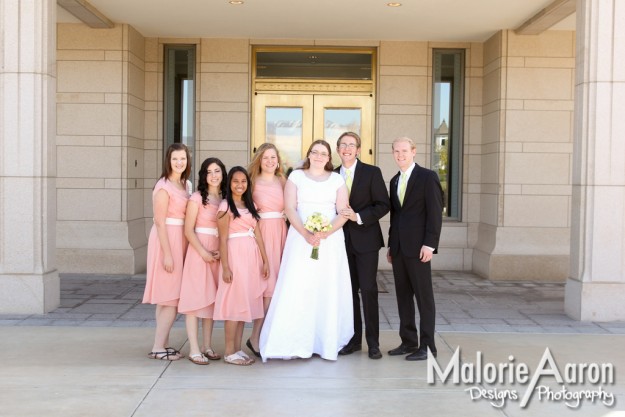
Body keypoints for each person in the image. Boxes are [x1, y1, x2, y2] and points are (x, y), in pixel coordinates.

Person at [260, 139, 353, 362]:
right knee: (298, 284)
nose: (319, 156)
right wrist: (305, 233)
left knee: (325, 286)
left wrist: (325, 232)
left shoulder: (337, 180)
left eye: (324, 153)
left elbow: (344, 211)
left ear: (329, 158)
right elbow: (290, 207)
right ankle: (294, 342)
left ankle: (324, 342)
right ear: (309, 154)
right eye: (315, 152)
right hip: (300, 238)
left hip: (329, 242)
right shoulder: (296, 177)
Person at [334, 132, 390, 360]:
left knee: (368, 290)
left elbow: (383, 204)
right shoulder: (330, 174)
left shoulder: (372, 172)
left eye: (351, 145)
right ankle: (353, 340)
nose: (347, 148)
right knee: (348, 294)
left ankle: (373, 343)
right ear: (338, 149)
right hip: (338, 242)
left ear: (358, 149)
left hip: (366, 240)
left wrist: (358, 216)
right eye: (343, 145)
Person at [386, 137, 443, 361]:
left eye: (404, 151)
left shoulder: (427, 177)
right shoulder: (393, 181)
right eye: (396, 151)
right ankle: (408, 342)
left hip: (420, 249)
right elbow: (395, 217)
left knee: (424, 298)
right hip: (399, 249)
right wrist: (391, 245)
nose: (400, 155)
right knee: (403, 297)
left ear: (414, 151)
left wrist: (430, 244)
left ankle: (428, 347)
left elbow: (435, 213)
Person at [214, 166, 269, 366]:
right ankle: (229, 351)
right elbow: (222, 239)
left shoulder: (250, 204)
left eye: (243, 181)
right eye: (235, 181)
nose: (240, 185)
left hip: (251, 257)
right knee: (234, 305)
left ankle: (237, 349)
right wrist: (226, 267)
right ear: (229, 183)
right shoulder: (225, 207)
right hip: (235, 256)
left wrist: (265, 260)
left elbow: (259, 235)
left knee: (243, 305)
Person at [143, 143, 192, 361]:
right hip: (167, 241)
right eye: (175, 159)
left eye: (182, 159)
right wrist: (168, 253)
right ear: (168, 161)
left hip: (180, 238)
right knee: (171, 298)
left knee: (166, 298)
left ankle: (162, 343)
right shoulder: (163, 186)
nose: (179, 163)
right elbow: (160, 222)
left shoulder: (185, 184)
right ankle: (157, 347)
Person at [178, 158, 227, 365]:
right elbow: (188, 230)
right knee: (194, 301)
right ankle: (194, 349)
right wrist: (204, 253)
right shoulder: (197, 198)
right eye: (209, 172)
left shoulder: (226, 198)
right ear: (203, 176)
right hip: (199, 252)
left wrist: (220, 253)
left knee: (210, 301)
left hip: (218, 251)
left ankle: (207, 345)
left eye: (217, 171)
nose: (214, 175)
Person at [246, 143, 288, 357]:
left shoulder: (283, 181)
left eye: (273, 157)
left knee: (279, 287)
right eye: (266, 158)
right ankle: (255, 336)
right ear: (259, 160)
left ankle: (271, 335)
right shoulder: (252, 182)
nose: (270, 161)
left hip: (282, 233)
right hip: (262, 233)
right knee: (266, 287)